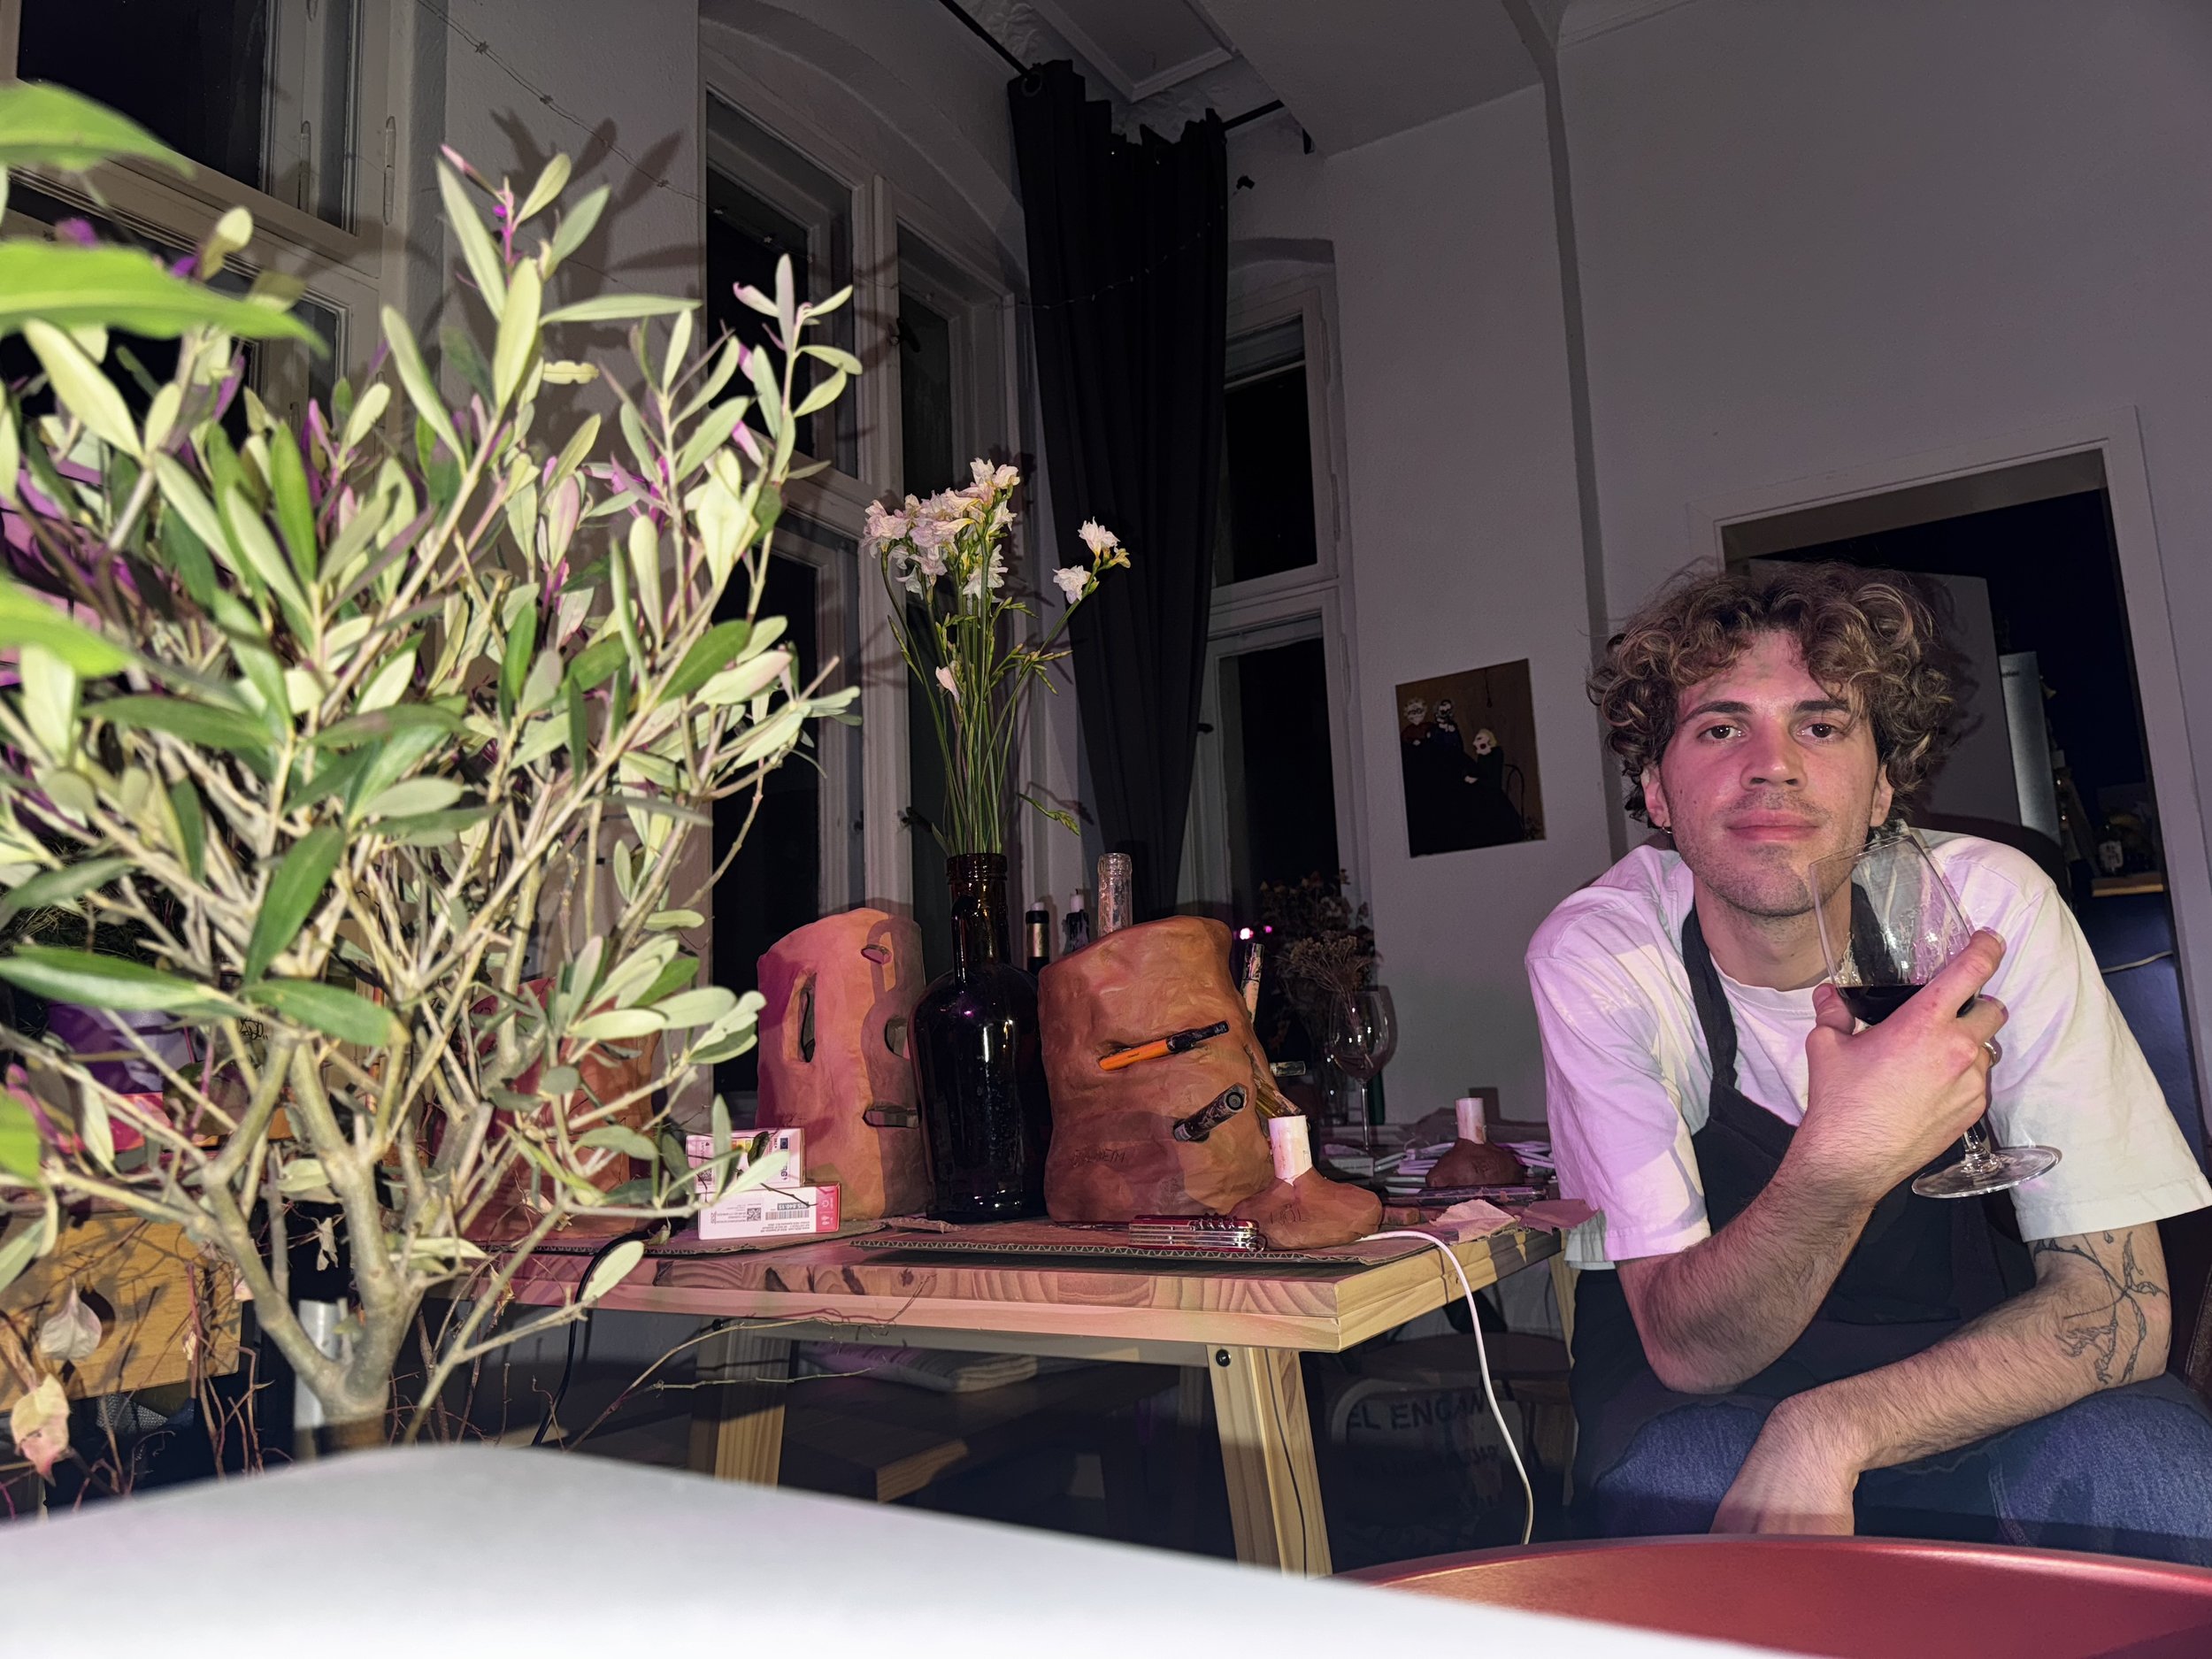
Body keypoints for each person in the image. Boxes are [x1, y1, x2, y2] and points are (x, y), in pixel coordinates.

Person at [1527, 561, 2212, 1563]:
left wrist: (1833, 1427)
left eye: (1820, 725)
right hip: (1706, 1391)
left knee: (2155, 1472)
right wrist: (1841, 1160)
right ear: (1656, 795)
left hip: (1962, 1373)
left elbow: (2120, 1306)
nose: (1773, 766)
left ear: (1884, 784)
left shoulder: (1983, 909)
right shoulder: (1603, 956)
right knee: (1687, 1488)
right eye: (1720, 728)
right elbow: (1684, 1347)